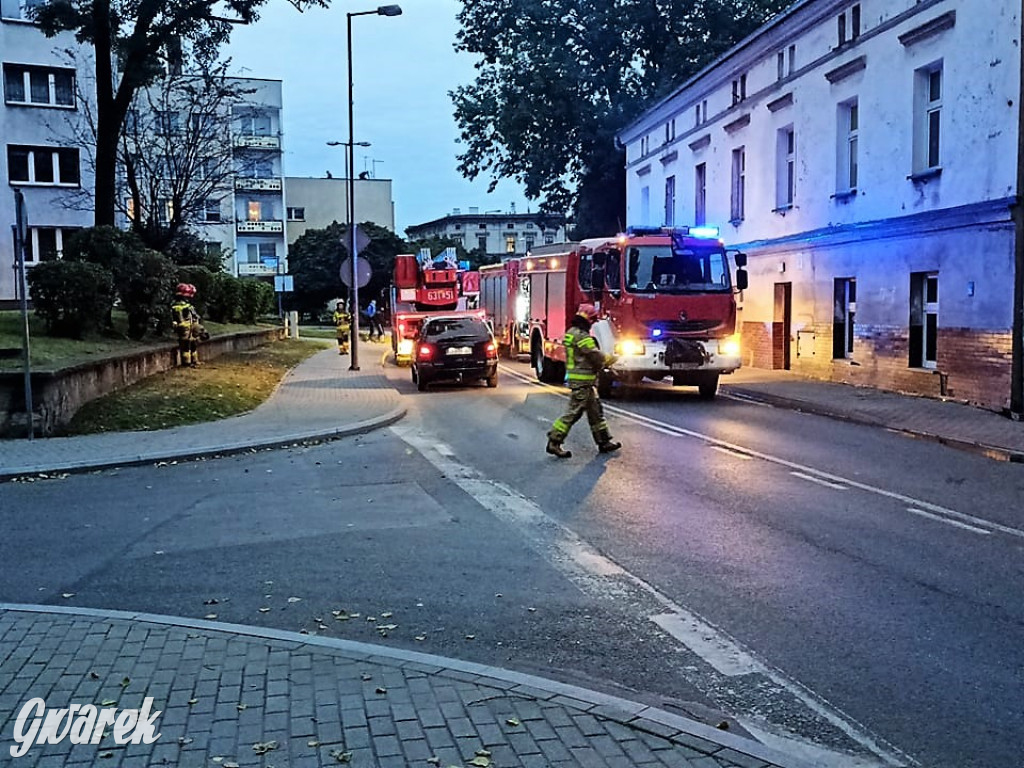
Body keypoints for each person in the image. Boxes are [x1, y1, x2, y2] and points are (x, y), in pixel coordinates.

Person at [545, 304, 622, 458]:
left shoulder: (571, 333)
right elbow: (595, 356)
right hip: (583, 382)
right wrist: (612, 359)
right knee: (573, 412)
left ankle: (604, 441)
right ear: (588, 319)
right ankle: (554, 441)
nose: (593, 323)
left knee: (595, 412)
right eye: (593, 320)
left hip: (583, 381)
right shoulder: (582, 336)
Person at [171, 283, 203, 367]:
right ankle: (187, 362)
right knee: (186, 345)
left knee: (192, 344)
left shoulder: (183, 306)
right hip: (185, 328)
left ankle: (193, 361)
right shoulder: (180, 306)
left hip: (189, 328)